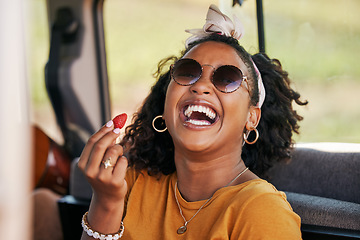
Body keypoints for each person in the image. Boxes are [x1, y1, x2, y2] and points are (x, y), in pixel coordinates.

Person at [78, 4, 307, 240]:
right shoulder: (130, 182)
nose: (200, 86)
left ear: (252, 118)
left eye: (227, 79)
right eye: (187, 72)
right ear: (165, 106)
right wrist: (106, 203)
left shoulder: (261, 211)